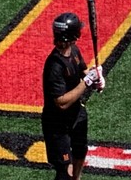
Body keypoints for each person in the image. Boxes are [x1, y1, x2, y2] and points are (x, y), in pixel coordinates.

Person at [42, 12, 105, 180]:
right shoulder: (54, 66)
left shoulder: (74, 50)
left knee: (80, 151)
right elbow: (61, 102)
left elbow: (83, 69)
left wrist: (96, 77)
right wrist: (86, 82)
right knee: (64, 172)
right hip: (57, 124)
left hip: (76, 114)